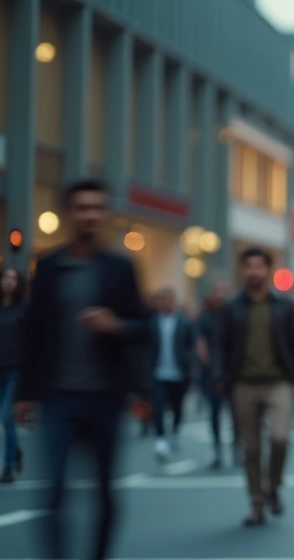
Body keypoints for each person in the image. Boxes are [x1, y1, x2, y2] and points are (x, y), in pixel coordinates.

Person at [14, 178, 152, 560]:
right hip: (58, 398)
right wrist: (25, 393)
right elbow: (35, 333)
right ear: (69, 214)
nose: (90, 215)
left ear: (104, 214)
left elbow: (144, 328)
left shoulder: (120, 268)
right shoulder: (49, 267)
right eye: (82, 208)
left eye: (97, 208)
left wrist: (116, 326)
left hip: (106, 398)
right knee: (54, 491)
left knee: (104, 492)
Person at [215, 247, 294, 527]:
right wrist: (219, 376)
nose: (254, 271)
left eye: (259, 266)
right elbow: (220, 345)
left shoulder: (284, 306)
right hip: (243, 384)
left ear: (268, 270)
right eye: (249, 266)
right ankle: (257, 502)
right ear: (243, 270)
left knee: (280, 438)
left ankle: (274, 486)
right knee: (251, 448)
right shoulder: (231, 307)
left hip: (278, 382)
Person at [149, 288, 195, 463]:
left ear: (174, 302)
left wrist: (188, 360)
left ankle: (175, 430)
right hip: (159, 373)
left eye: (169, 300)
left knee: (177, 407)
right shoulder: (153, 322)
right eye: (164, 300)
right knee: (159, 407)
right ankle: (160, 439)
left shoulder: (184, 322)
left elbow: (191, 345)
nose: (166, 303)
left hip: (179, 374)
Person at [196, 281, 237, 470]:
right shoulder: (206, 318)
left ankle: (237, 450)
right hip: (212, 373)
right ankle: (217, 451)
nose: (220, 296)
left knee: (237, 414)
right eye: (217, 292)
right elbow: (201, 344)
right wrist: (210, 367)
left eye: (224, 292)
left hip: (233, 371)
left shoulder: (236, 316)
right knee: (214, 412)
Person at [0, 267, 27, 484]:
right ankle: (15, 449)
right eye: (6, 278)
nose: (9, 282)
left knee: (7, 416)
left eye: (14, 278)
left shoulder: (23, 309)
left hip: (15, 371)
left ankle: (8, 467)